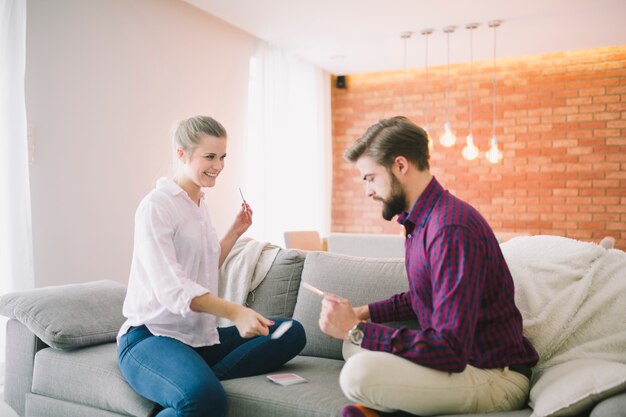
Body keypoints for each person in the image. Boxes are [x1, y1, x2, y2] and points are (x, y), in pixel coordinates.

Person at [318, 116, 539, 417]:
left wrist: (356, 330)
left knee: (358, 373)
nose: (367, 191)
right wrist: (360, 314)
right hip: (459, 364)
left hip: (493, 376)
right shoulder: (420, 221)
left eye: (369, 177)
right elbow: (421, 297)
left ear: (400, 166)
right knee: (352, 348)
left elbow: (450, 348)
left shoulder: (450, 229)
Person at [117, 116, 306, 417]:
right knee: (207, 401)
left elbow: (203, 269)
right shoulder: (157, 207)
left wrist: (234, 231)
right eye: (209, 156)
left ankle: (196, 377)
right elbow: (174, 289)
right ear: (182, 154)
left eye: (222, 157)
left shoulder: (199, 205)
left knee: (289, 330)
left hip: (199, 340)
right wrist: (236, 312)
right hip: (151, 336)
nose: (218, 166)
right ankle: (196, 386)